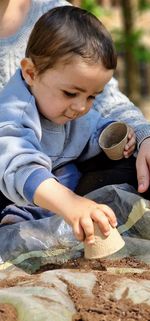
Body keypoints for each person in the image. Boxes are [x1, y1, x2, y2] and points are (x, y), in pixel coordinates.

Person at [0, 6, 136, 244]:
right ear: (31, 73)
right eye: (71, 93)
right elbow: (19, 167)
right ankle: (19, 228)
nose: (81, 107)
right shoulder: (14, 112)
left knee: (125, 166)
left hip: (64, 183)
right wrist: (71, 204)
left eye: (92, 96)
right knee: (22, 219)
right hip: (19, 197)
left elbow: (91, 129)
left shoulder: (70, 108)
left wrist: (112, 134)